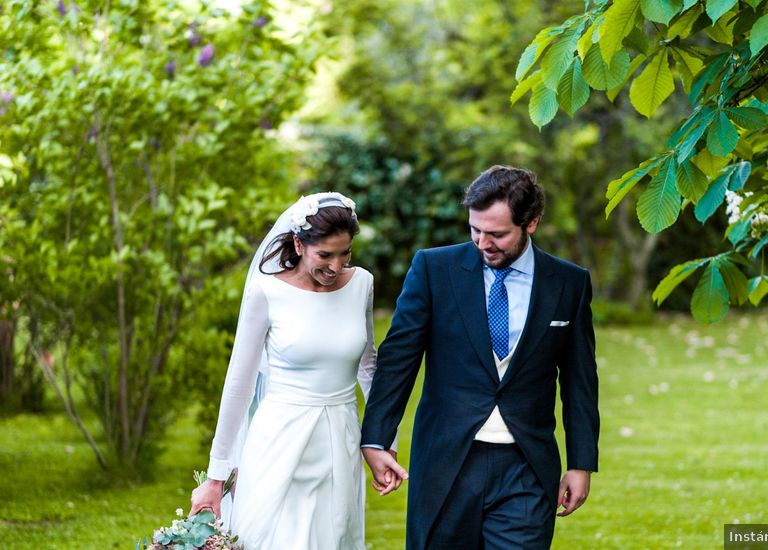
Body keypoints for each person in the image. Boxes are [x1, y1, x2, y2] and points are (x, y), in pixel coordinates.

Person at [360, 165, 600, 549]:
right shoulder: (434, 269)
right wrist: (375, 437)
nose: (483, 242)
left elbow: (580, 381)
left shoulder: (569, 283)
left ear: (532, 223)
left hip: (527, 467)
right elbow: (399, 359)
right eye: (475, 230)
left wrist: (580, 462)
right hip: (446, 463)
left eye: (497, 234)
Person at [190, 192, 392, 550]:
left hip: (340, 438)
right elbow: (239, 385)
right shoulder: (267, 292)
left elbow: (368, 367)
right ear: (299, 244)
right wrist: (216, 476)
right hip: (279, 439)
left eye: (345, 253)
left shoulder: (361, 284)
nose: (335, 266)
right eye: (325, 255)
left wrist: (382, 443)